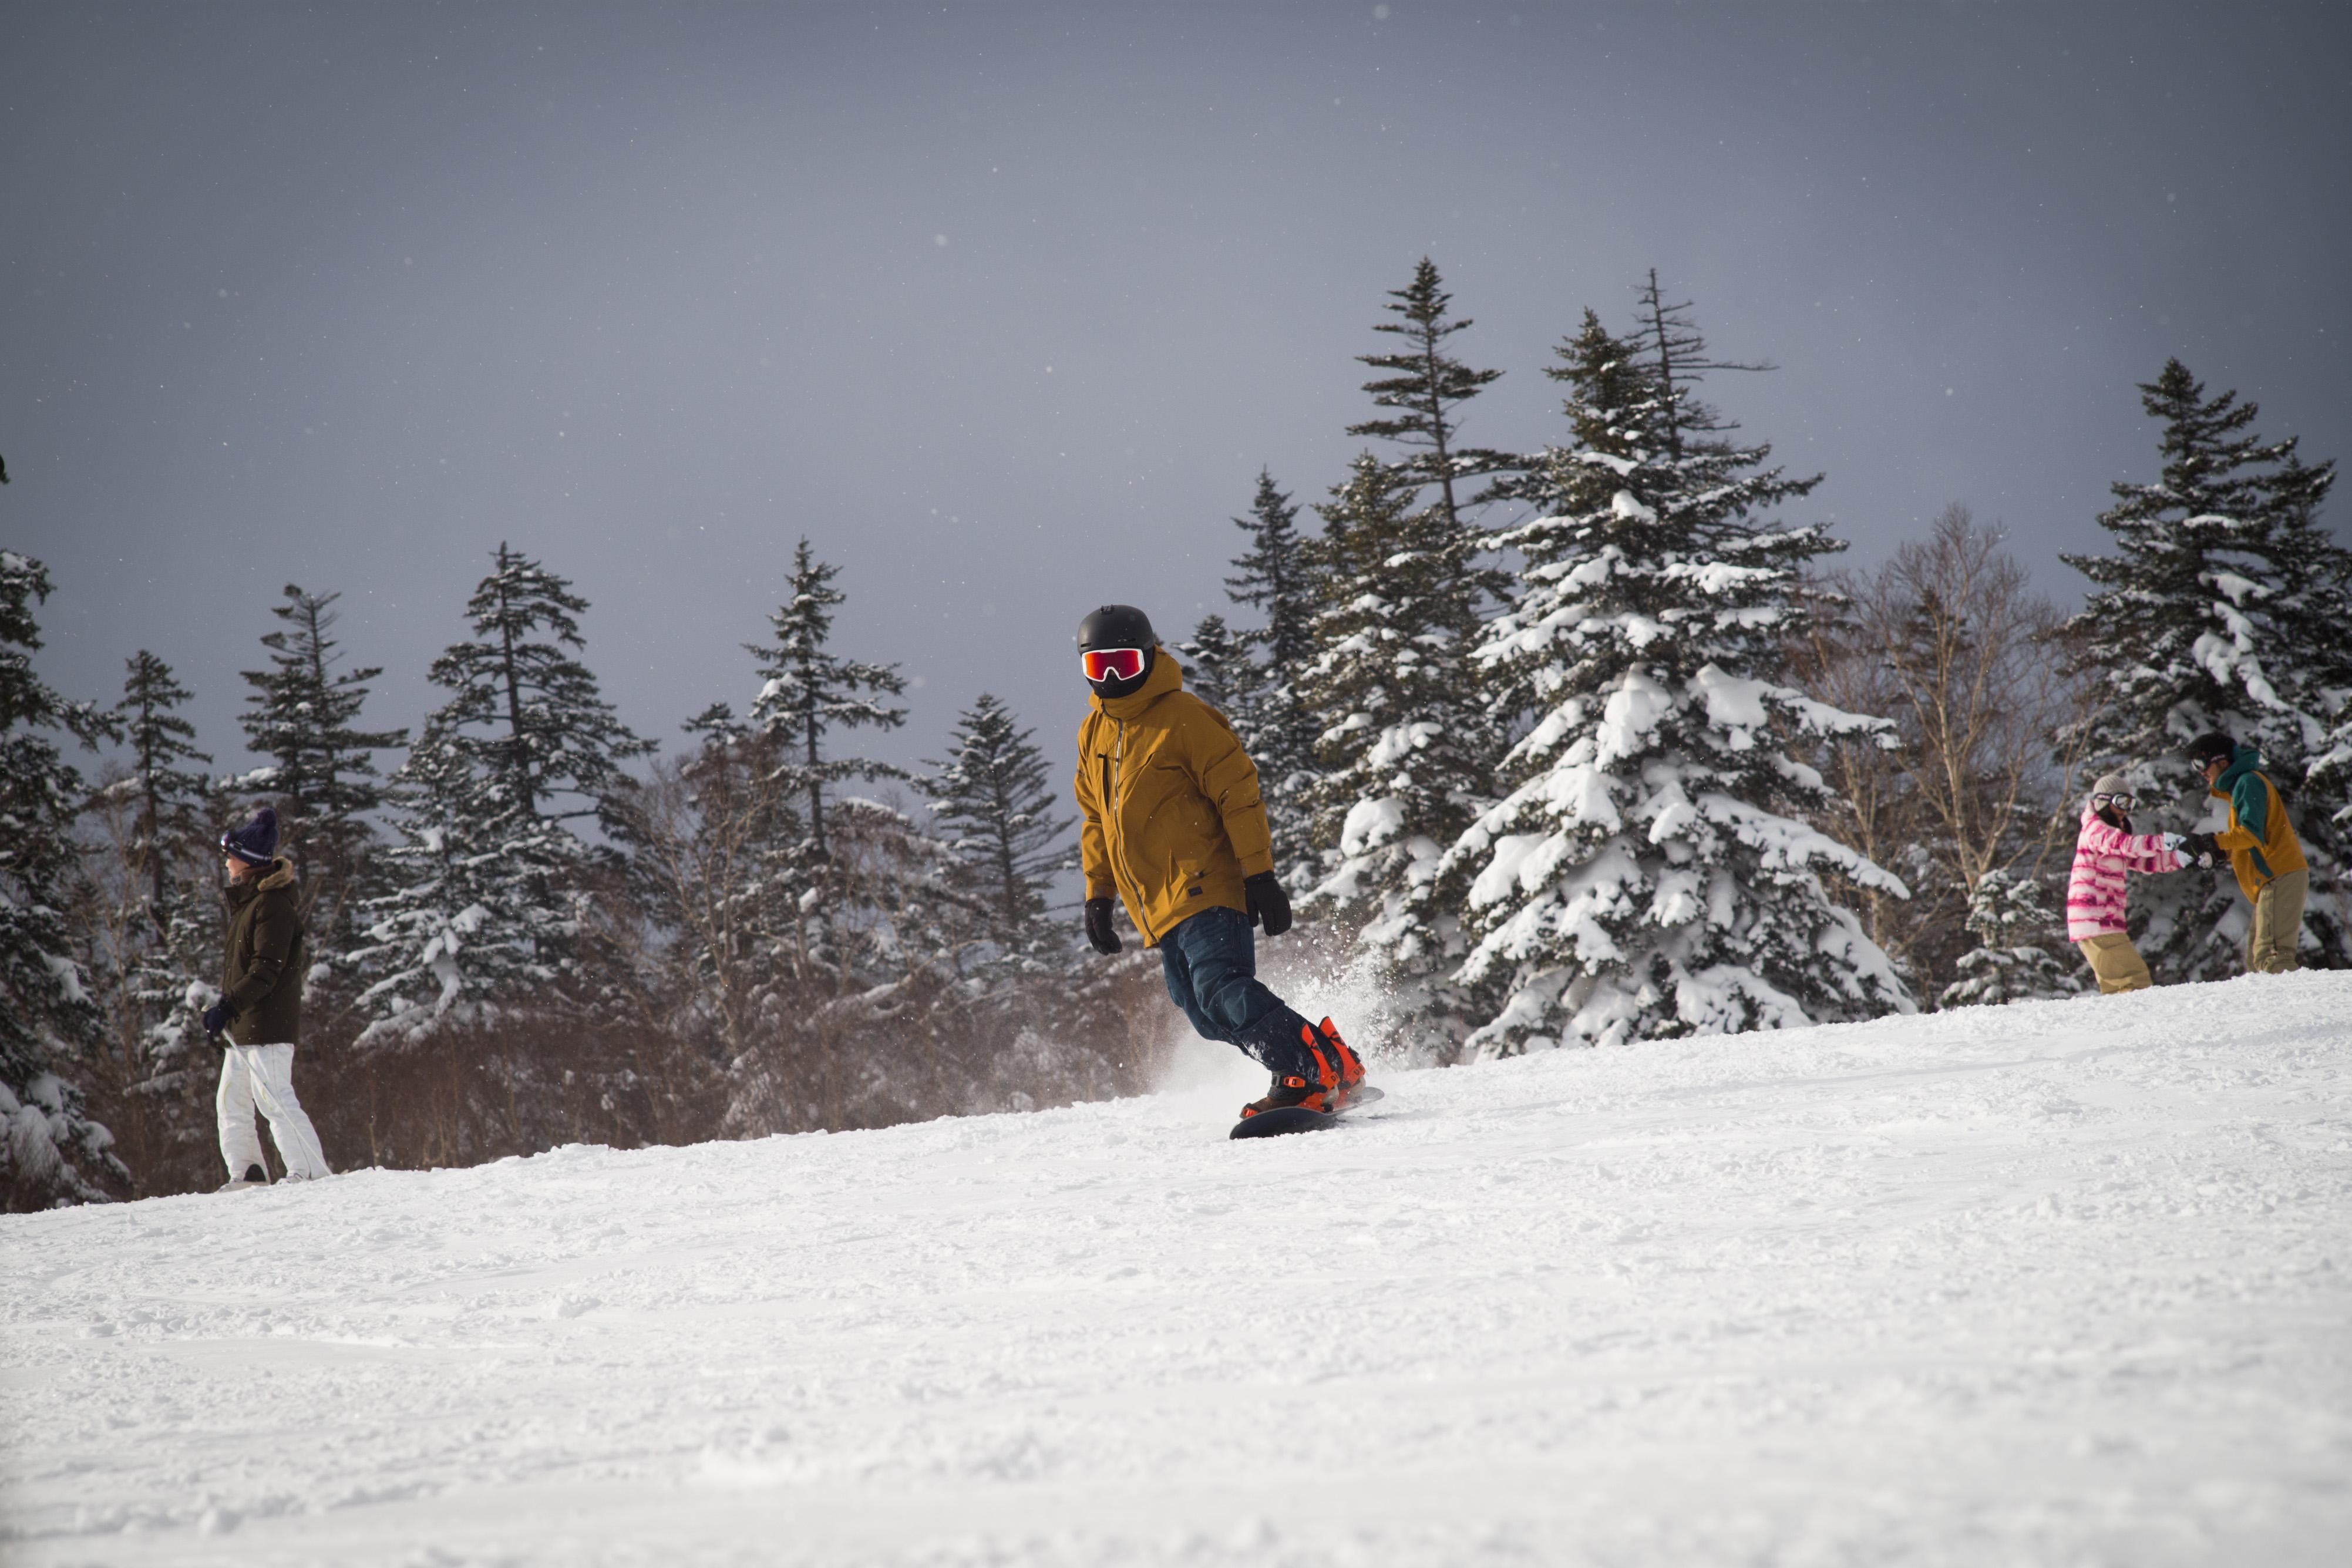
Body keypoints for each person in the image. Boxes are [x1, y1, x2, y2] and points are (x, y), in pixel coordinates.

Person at [1069, 604, 1367, 1119]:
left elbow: (1238, 793)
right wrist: (1098, 895)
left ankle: (1304, 1071)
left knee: (1220, 987)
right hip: (1157, 906)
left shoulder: (1182, 717)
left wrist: (1260, 875)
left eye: (1123, 663)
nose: (1114, 677)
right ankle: (1331, 1060)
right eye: (1100, 667)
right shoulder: (1092, 733)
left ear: (1148, 657)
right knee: (1204, 1012)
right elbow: (1096, 820)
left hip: (1204, 881)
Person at [201, 807, 332, 1189]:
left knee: (273, 1096)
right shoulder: (249, 906)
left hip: (267, 1023)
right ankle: (249, 1172)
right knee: (232, 1102)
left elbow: (266, 970)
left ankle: (309, 1172)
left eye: (231, 856)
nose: (226, 863)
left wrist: (229, 1005)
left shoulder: (273, 906)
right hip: (245, 1023)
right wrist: (228, 1011)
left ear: (248, 861)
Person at [2181, 732, 2308, 974]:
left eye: (2201, 764)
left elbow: (2250, 834)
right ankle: (2272, 1012)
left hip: (2279, 875)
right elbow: (2251, 840)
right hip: (2274, 879)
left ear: (2222, 761)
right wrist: (2219, 853)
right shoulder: (2243, 785)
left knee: (2272, 958)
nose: (2200, 772)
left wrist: (2214, 842)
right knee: (2256, 962)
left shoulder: (2248, 782)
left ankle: (2295, 1012)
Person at [2066, 773, 2191, 994]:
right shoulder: (2095, 829)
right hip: (2096, 919)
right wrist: (2164, 841)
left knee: (2123, 984)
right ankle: (2135, 1024)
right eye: (2121, 802)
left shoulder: (2111, 836)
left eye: (2130, 803)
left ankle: (2126, 1024)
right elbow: (2125, 845)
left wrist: (2180, 858)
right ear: (2104, 802)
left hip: (2104, 920)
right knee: (2132, 981)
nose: (2126, 809)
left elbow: (2144, 861)